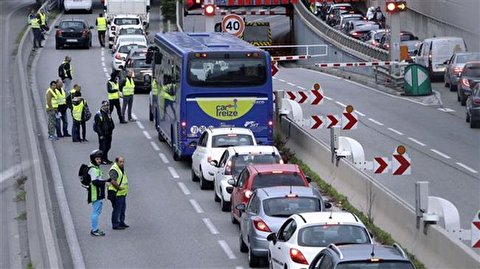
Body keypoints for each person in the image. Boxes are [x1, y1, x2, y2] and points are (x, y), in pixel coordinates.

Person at [87, 149, 110, 237]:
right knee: (96, 212)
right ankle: (95, 230)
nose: (99, 160)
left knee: (97, 211)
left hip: (95, 192)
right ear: (93, 159)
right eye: (97, 159)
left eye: (100, 159)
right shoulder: (94, 170)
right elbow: (95, 182)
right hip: (95, 193)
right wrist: (105, 182)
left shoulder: (93, 167)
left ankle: (95, 229)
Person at [108, 156, 129, 230]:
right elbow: (113, 181)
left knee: (122, 209)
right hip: (117, 193)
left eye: (123, 161)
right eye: (120, 162)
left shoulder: (120, 168)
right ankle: (115, 224)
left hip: (122, 193)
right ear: (116, 162)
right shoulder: (114, 170)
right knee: (117, 209)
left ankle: (121, 222)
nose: (122, 163)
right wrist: (119, 188)